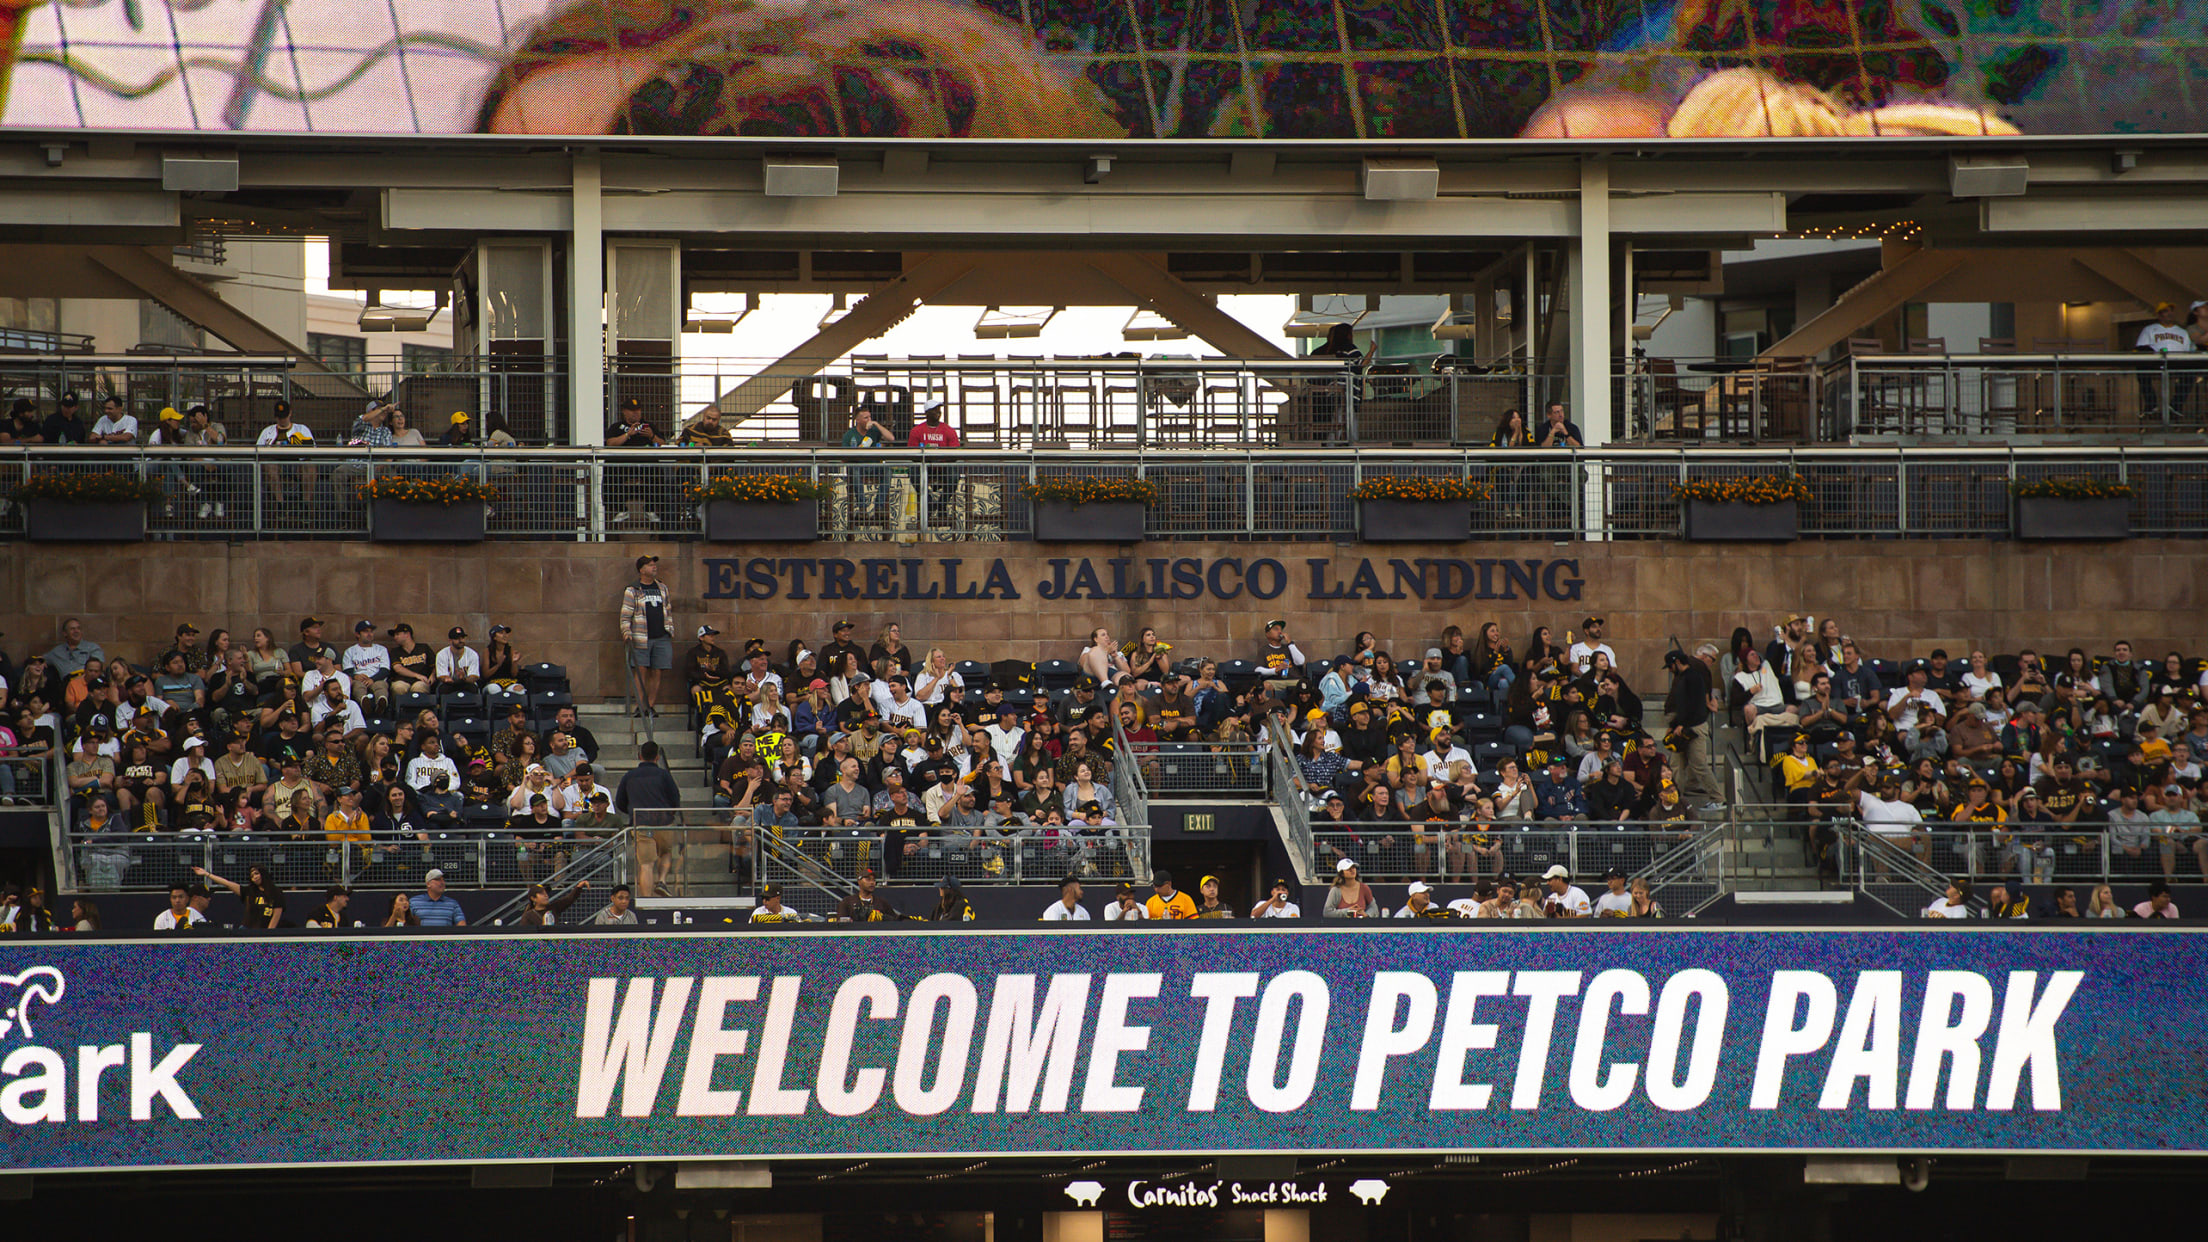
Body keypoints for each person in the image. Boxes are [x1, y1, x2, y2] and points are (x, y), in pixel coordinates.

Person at [1662, 649, 1721, 806]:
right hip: (1681, 727)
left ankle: (1718, 799)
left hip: (1694, 727)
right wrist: (1674, 725)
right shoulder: (1682, 678)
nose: (1669, 670)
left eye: (1670, 666)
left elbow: (1696, 706)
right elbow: (1682, 707)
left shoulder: (1694, 677)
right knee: (1676, 765)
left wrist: (1682, 724)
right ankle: (1676, 801)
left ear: (1678, 663)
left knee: (1699, 764)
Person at [619, 554, 674, 716]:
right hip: (641, 636)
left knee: (657, 671)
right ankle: (639, 706)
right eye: (650, 565)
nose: (654, 567)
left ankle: (650, 705)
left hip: (661, 637)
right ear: (641, 570)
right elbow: (625, 615)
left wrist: (670, 628)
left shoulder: (662, 588)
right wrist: (626, 632)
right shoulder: (633, 590)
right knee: (641, 671)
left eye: (654, 564)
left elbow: (668, 611)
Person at [192, 863, 284, 929]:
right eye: (252, 876)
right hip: (246, 930)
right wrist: (206, 874)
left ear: (263, 873)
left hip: (264, 932)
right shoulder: (249, 892)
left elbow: (276, 915)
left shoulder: (276, 892)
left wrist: (269, 934)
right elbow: (227, 883)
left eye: (256, 873)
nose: (254, 877)